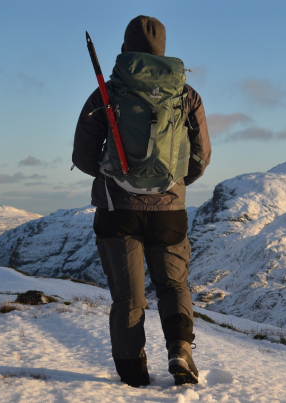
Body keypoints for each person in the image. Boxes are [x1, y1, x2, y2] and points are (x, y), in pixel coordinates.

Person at [72, 15, 211, 387]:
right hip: (169, 211)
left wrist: (119, 178)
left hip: (117, 211)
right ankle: (180, 349)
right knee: (173, 286)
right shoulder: (186, 94)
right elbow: (201, 156)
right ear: (163, 50)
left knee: (128, 297)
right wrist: (172, 184)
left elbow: (84, 156)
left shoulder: (107, 91)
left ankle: (133, 376)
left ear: (125, 49)